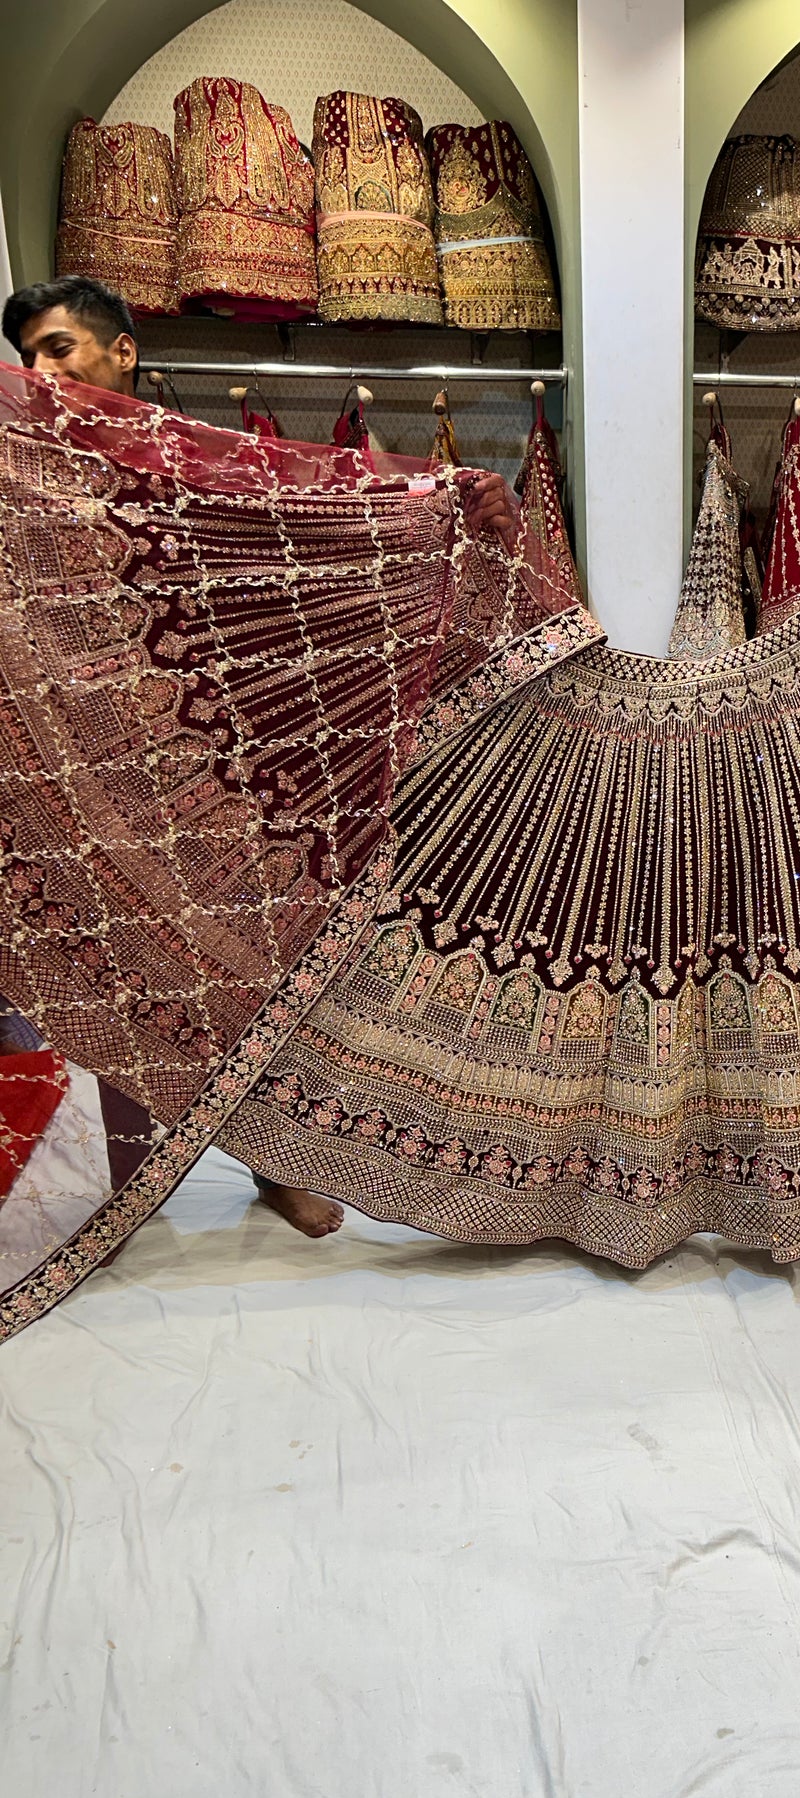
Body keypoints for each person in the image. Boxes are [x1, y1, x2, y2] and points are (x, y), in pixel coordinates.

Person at [1, 275, 516, 1240]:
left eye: (60, 347)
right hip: (80, 758)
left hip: (210, 747)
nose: (41, 369)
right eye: (30, 354)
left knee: (252, 953)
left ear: (123, 353)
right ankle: (112, 1179)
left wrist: (436, 496)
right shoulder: (29, 462)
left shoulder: (182, 457)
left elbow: (307, 500)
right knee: (114, 959)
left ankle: (268, 1159)